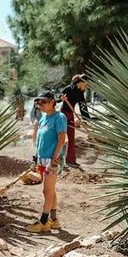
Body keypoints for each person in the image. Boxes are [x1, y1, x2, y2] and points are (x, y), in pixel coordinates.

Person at [27, 91, 67, 233]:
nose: (40, 105)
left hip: (52, 160)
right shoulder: (43, 118)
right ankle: (54, 220)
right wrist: (36, 158)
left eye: (43, 102)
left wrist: (54, 160)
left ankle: (44, 221)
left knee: (47, 190)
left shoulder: (59, 117)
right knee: (50, 190)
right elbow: (40, 140)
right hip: (43, 159)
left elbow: (62, 139)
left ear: (52, 101)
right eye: (38, 103)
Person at [59, 74, 89, 168]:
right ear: (81, 82)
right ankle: (56, 159)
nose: (86, 86)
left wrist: (86, 120)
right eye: (86, 84)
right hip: (63, 114)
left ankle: (71, 160)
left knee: (71, 137)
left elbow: (83, 107)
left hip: (71, 115)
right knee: (60, 137)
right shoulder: (68, 88)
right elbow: (57, 99)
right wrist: (62, 98)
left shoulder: (80, 93)